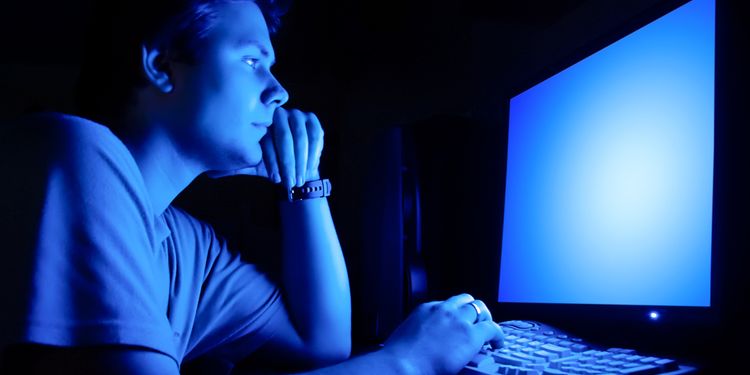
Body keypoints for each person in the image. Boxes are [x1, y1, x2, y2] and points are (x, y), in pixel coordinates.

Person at [0, 0, 504, 374]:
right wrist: (407, 362)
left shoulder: (185, 244)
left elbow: (320, 345)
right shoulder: (67, 148)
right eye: (251, 61)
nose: (279, 91)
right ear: (160, 64)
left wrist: (302, 182)